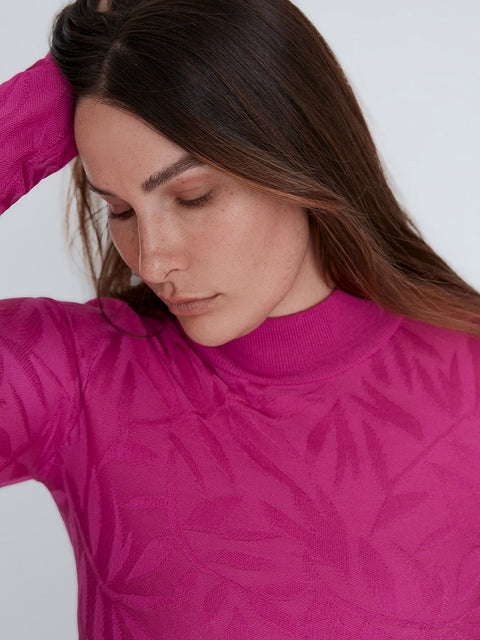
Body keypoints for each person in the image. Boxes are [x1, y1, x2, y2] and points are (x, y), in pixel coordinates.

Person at [1, 0, 479, 638]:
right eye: (120, 210)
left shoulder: (466, 375)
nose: (153, 259)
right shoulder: (74, 378)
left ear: (300, 155)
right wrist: (71, 78)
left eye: (193, 197)